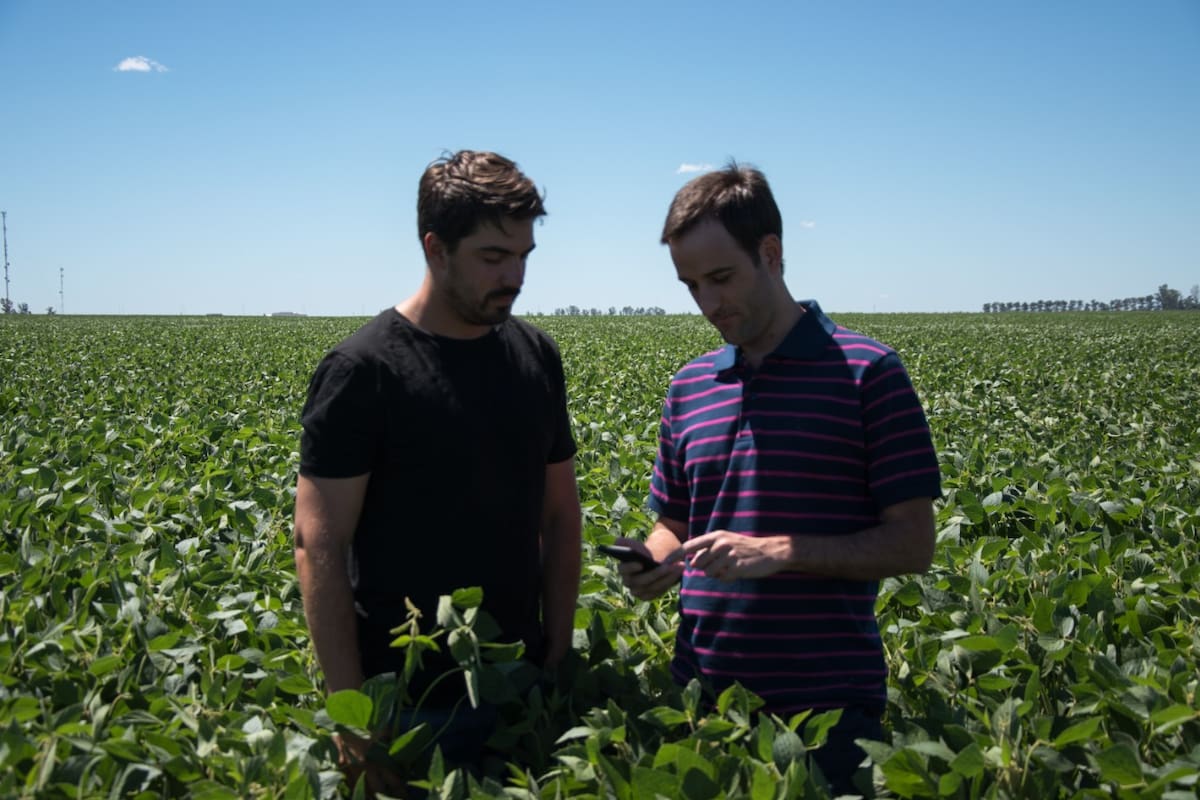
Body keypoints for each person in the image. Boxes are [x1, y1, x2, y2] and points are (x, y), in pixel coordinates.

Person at [616, 163, 941, 795]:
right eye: (691, 286)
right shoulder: (689, 387)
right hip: (702, 700)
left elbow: (913, 543)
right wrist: (652, 559)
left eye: (721, 278)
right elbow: (675, 523)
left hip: (826, 710)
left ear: (772, 254)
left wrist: (781, 552)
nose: (708, 304)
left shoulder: (868, 373)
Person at [294, 150, 582, 794]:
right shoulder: (363, 372)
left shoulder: (536, 355)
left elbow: (561, 516)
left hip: (520, 687)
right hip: (408, 705)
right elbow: (320, 546)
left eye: (524, 256)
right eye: (493, 257)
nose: (515, 276)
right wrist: (353, 723)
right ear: (435, 248)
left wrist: (556, 659)